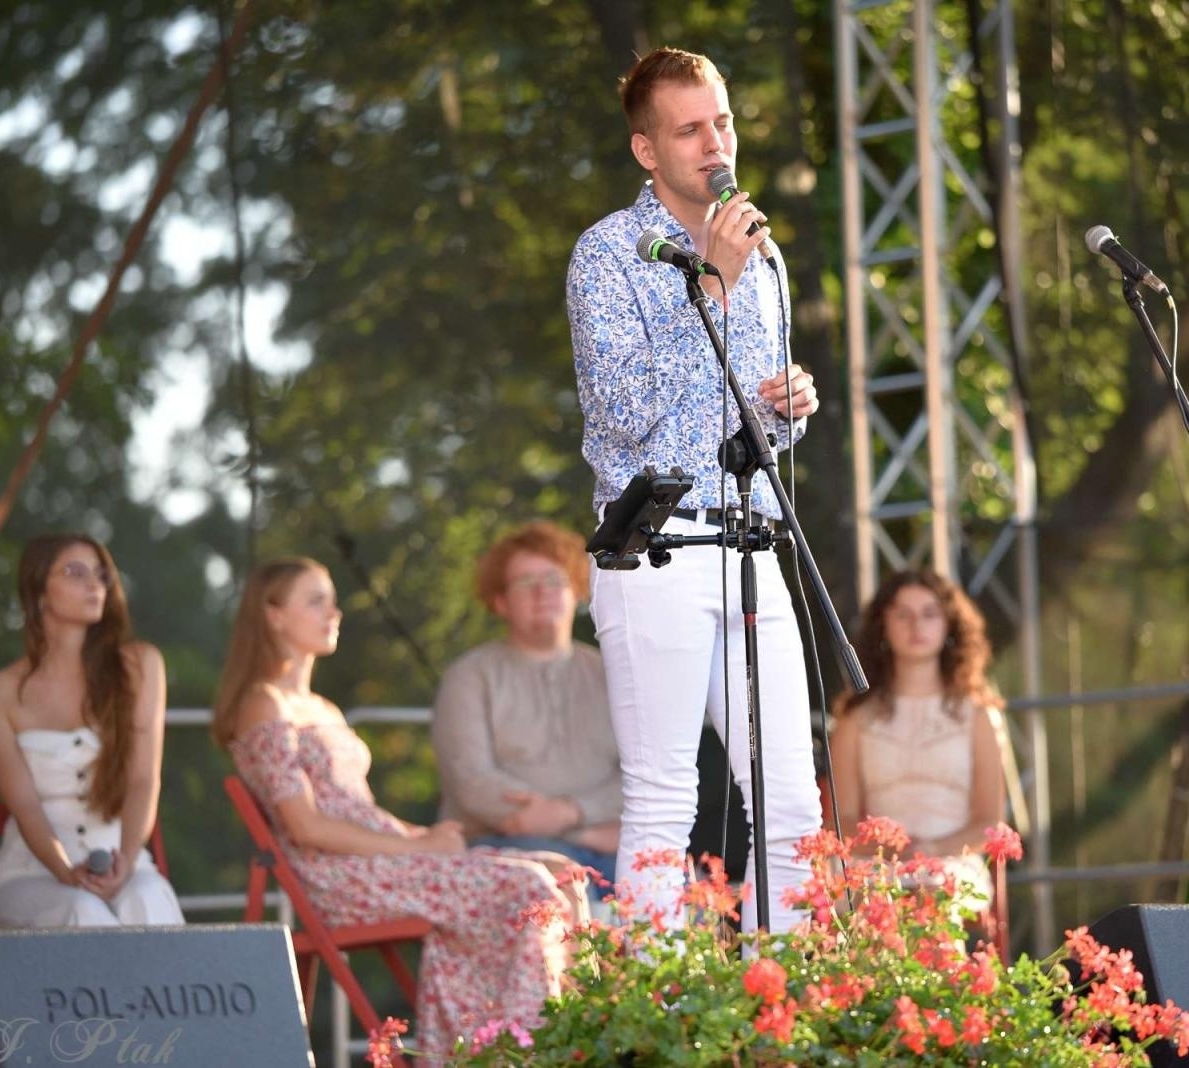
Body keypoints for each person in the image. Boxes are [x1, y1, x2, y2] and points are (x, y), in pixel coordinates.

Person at [566, 46, 822, 933]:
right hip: (658, 548)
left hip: (749, 538)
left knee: (794, 805)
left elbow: (749, 424)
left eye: (722, 120)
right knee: (664, 801)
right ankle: (654, 1017)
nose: (716, 142)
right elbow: (628, 414)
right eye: (691, 129)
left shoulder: (761, 252)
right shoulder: (607, 254)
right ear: (649, 151)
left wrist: (790, 405)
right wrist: (713, 283)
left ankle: (791, 1007)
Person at [213, 557, 569, 1053]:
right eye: (315, 601)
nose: (333, 612)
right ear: (273, 615)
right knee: (528, 886)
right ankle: (526, 1051)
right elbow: (305, 826)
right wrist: (415, 846)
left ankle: (516, 1045)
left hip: (383, 862)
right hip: (339, 878)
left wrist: (422, 836)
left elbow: (359, 810)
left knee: (560, 871)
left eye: (332, 600)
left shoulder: (325, 709)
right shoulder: (264, 705)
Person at [0, 534, 184, 929]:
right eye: (74, 572)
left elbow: (141, 780)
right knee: (81, 912)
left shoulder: (140, 666)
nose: (94, 584)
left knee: (147, 900)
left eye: (101, 575)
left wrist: (127, 862)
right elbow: (25, 806)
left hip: (123, 860)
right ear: (38, 591)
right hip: (33, 873)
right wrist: (66, 872)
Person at [431, 522, 622, 894]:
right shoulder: (469, 676)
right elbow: (471, 781)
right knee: (555, 884)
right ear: (501, 601)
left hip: (610, 847)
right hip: (505, 851)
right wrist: (583, 830)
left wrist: (572, 811)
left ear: (576, 590)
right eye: (525, 582)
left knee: (673, 882)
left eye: (554, 579)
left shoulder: (614, 674)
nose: (542, 592)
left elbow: (640, 774)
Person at [828, 569, 1010, 909]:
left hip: (954, 864)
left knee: (933, 890)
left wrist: (934, 850)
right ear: (883, 624)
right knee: (872, 894)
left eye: (929, 614)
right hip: (878, 866)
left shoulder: (978, 715)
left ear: (950, 625)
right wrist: (895, 851)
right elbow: (842, 823)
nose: (917, 626)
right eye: (903, 614)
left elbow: (990, 822)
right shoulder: (854, 720)